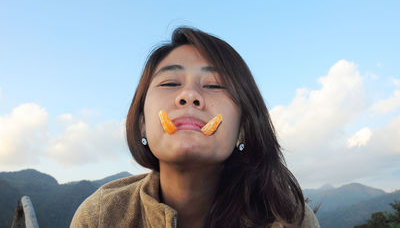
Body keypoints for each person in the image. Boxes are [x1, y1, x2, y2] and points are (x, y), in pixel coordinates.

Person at [70, 27, 320, 228]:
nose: (189, 95)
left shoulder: (289, 218)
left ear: (243, 129)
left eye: (213, 85)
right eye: (169, 83)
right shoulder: (102, 217)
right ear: (142, 124)